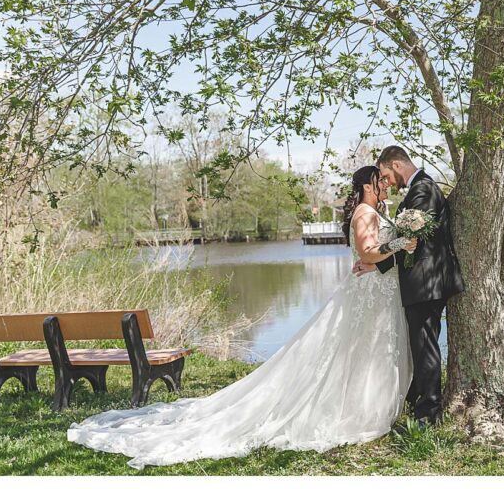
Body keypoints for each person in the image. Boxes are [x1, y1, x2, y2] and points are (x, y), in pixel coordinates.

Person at [67, 166, 413, 467]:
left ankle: (365, 404)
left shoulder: (374, 212)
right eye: (381, 181)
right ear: (368, 184)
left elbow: (371, 257)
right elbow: (368, 251)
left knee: (363, 350)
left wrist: (391, 250)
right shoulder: (366, 213)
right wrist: (403, 244)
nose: (386, 185)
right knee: (354, 349)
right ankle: (355, 411)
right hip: (368, 295)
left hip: (377, 291)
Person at [355, 145, 465, 427]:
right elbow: (410, 242)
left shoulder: (424, 189)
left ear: (396, 165)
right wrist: (377, 264)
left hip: (427, 281)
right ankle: (417, 399)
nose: (387, 182)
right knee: (420, 344)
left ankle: (429, 413)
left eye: (386, 175)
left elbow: (413, 241)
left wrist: (376, 264)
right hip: (423, 280)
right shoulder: (420, 189)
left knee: (424, 345)